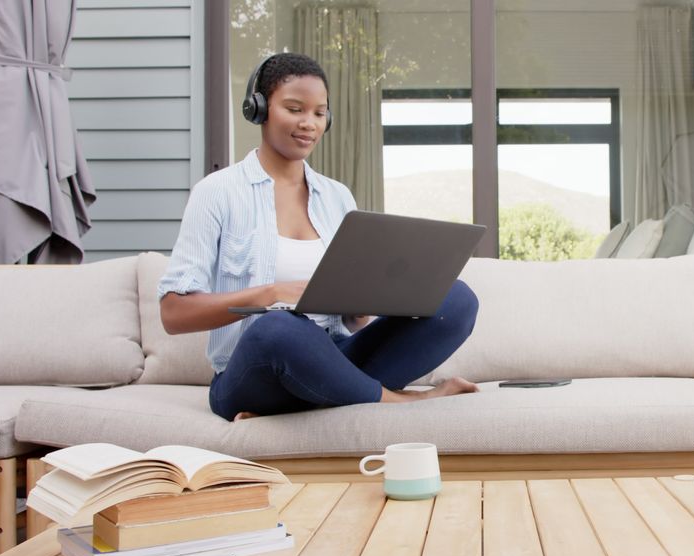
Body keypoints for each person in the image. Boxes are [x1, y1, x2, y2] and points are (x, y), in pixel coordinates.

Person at [158, 53, 479, 422]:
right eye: (294, 109)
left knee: (456, 300)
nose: (308, 123)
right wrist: (272, 293)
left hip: (334, 359)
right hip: (254, 371)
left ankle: (319, 399)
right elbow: (173, 313)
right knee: (278, 329)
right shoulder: (217, 192)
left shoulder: (337, 196)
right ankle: (398, 402)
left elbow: (354, 323)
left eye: (319, 113)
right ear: (259, 108)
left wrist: (362, 307)